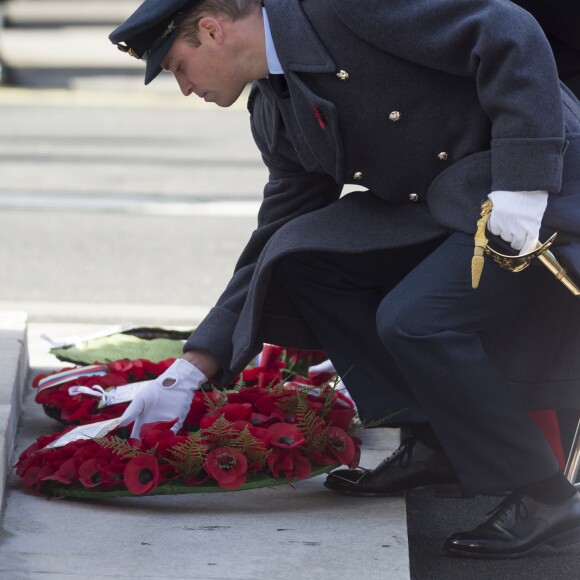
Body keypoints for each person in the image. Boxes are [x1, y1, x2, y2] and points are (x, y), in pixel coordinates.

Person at [109, 0, 580, 558]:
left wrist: (524, 182)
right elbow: (272, 236)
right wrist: (194, 366)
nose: (185, 87)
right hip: (453, 205)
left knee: (415, 320)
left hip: (536, 191)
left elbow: (508, 28)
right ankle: (437, 445)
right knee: (299, 257)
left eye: (178, 67)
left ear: (211, 30)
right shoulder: (273, 109)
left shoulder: (345, 9)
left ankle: (547, 495)